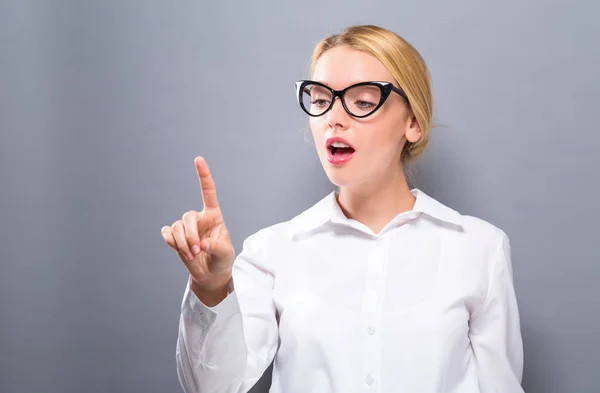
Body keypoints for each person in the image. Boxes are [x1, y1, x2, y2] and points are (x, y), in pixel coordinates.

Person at [160, 24, 524, 393]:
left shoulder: (479, 248)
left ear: (412, 122)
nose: (334, 116)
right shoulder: (272, 251)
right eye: (320, 100)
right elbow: (211, 387)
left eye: (363, 102)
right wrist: (211, 288)